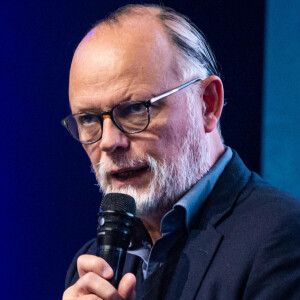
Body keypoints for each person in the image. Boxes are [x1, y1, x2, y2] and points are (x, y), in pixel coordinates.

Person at [62, 4, 300, 300]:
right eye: (88, 119)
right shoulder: (90, 269)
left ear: (207, 104)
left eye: (136, 109)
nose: (110, 141)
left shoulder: (284, 236)